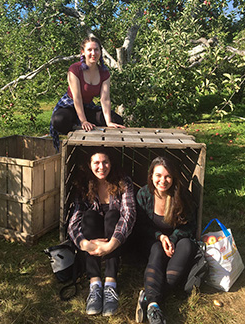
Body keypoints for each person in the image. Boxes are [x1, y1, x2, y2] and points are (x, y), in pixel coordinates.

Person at [67, 148, 136, 317]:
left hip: (117, 240)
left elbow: (129, 214)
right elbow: (74, 220)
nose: (101, 167)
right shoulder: (84, 185)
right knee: (89, 216)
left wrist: (111, 244)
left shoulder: (123, 182)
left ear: (111, 163)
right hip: (93, 237)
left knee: (114, 215)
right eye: (96, 163)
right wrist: (84, 243)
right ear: (90, 165)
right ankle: (95, 284)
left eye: (105, 162)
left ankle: (110, 285)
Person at [135, 156, 197, 324]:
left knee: (188, 246)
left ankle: (150, 299)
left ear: (174, 177)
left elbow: (189, 225)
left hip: (175, 241)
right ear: (151, 176)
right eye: (158, 175)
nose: (163, 180)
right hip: (151, 241)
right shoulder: (143, 194)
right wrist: (161, 237)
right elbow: (139, 226)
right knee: (156, 248)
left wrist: (172, 239)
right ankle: (154, 303)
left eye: (167, 176)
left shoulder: (182, 195)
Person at [50, 36, 125, 151]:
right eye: (89, 50)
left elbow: (105, 99)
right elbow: (77, 98)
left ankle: (102, 148)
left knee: (117, 120)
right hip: (69, 106)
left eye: (96, 50)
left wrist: (108, 122)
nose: (93, 53)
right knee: (58, 120)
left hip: (87, 106)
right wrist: (83, 121)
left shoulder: (104, 72)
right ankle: (76, 132)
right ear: (83, 52)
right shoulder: (74, 69)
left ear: (100, 52)